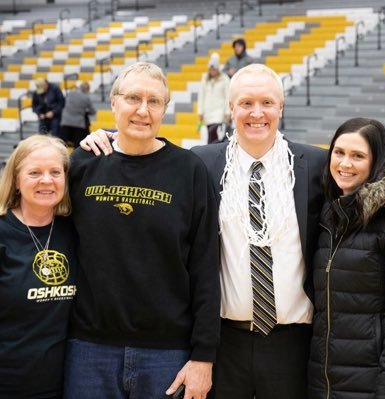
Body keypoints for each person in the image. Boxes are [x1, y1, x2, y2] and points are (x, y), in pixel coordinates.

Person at [81, 63, 327, 399]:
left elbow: (369, 183)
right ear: (230, 109)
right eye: (245, 103)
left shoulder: (316, 166)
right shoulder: (200, 164)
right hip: (225, 342)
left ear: (281, 108)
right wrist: (108, 136)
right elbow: (142, 150)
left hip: (295, 342)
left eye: (268, 103)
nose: (257, 113)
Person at [63, 62, 220, 399]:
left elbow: (206, 267)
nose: (143, 110)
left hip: (167, 354)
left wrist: (203, 356)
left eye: (154, 101)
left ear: (165, 109)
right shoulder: (82, 164)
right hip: (89, 349)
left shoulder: (189, 170)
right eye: (133, 98)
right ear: (114, 102)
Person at [308, 118, 385, 398]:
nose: (345, 164)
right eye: (339, 153)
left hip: (372, 384)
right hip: (320, 384)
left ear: (377, 161)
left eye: (358, 156)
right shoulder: (325, 216)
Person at [0, 134, 77, 398]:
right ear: (17, 180)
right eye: (34, 172)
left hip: (64, 385)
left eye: (55, 172)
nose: (47, 180)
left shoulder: (75, 231)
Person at [198, 53, 230, 143]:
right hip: (208, 113)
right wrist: (200, 112)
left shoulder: (225, 79)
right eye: (211, 69)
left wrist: (227, 112)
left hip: (219, 113)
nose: (212, 71)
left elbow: (228, 96)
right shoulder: (205, 79)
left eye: (214, 69)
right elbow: (201, 95)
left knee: (214, 137)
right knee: (210, 135)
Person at [60, 81, 96, 148]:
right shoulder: (86, 98)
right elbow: (93, 111)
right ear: (87, 89)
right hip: (78, 124)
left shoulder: (70, 93)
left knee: (62, 143)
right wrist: (85, 112)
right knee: (78, 145)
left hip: (65, 121)